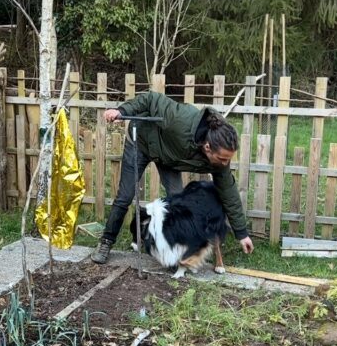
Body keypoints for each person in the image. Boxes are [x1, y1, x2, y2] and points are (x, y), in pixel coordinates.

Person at [90, 91, 255, 264]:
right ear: (207, 147)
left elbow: (228, 192)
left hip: (169, 157)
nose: (225, 163)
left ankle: (173, 248)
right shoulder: (180, 120)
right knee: (125, 197)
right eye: (222, 158)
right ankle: (106, 242)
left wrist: (242, 233)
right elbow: (151, 99)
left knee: (178, 200)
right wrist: (122, 110)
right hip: (142, 141)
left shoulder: (219, 160)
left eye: (228, 159)